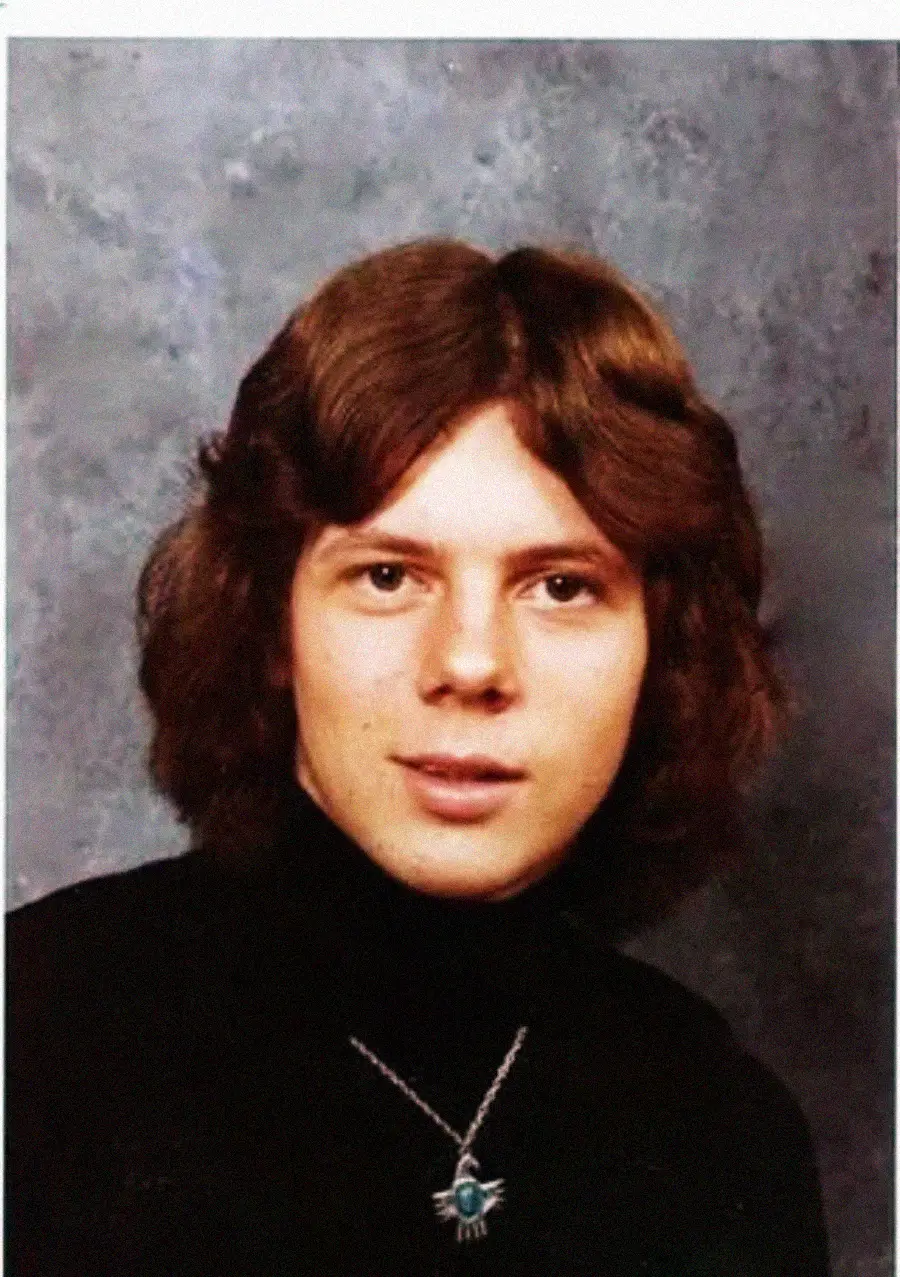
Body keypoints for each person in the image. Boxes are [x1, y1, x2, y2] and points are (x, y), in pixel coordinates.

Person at [6, 240, 831, 1275]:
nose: (473, 662)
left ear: (663, 653)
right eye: (390, 575)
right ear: (269, 625)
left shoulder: (724, 1128)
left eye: (562, 585)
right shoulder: (30, 1035)